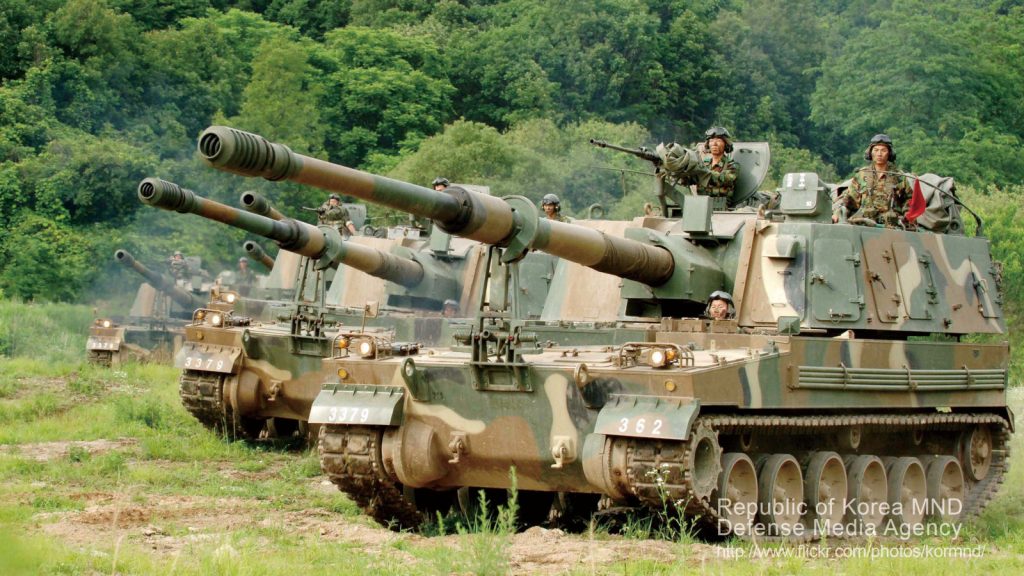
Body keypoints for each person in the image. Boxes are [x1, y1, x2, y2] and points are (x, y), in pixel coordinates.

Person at [832, 134, 913, 228]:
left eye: (883, 150)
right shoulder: (862, 175)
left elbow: (910, 200)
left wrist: (907, 216)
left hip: (892, 227)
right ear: (870, 153)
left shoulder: (899, 177)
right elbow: (849, 199)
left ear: (890, 153)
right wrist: (837, 213)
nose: (879, 154)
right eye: (876, 150)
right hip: (864, 224)